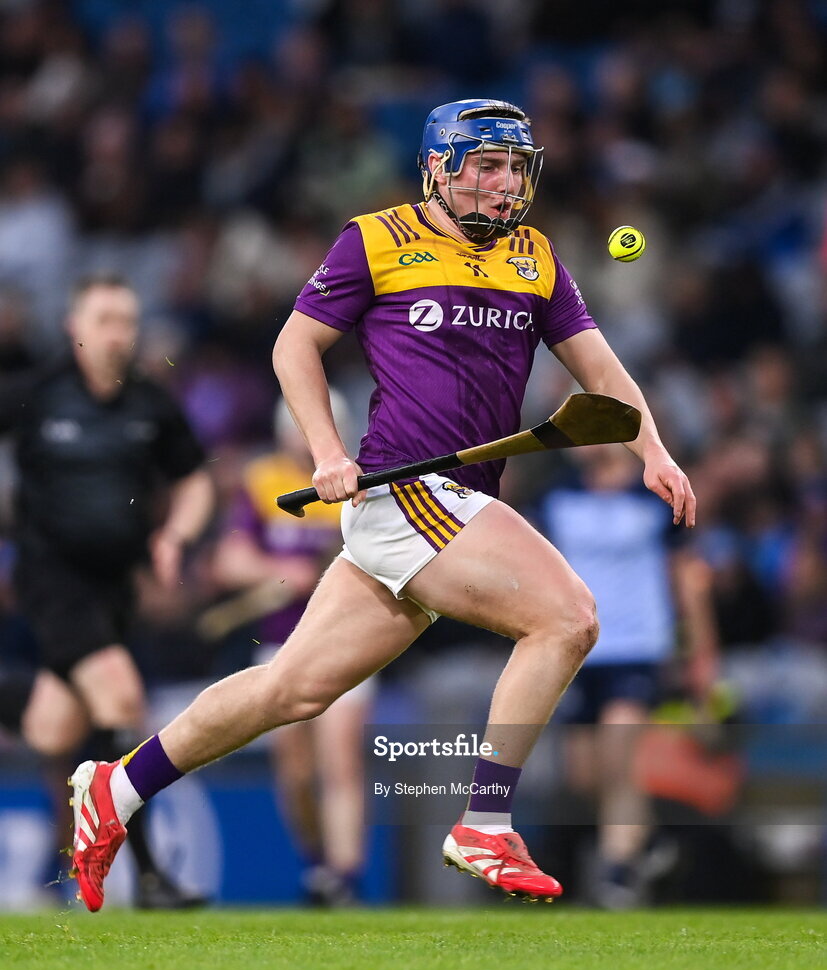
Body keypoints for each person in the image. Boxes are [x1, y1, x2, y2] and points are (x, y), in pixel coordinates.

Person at [68, 99, 695, 911]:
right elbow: (293, 345)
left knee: (289, 689)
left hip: (453, 500)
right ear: (438, 166)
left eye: (515, 167)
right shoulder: (376, 239)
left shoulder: (534, 256)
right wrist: (327, 451)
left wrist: (654, 450)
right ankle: (484, 824)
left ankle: (115, 792)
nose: (507, 183)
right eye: (488, 165)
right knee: (567, 617)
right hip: (404, 492)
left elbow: (600, 373)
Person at [0, 273, 214, 908]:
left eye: (126, 320)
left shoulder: (151, 401)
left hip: (117, 590)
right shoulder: (36, 392)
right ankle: (149, 879)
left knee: (57, 728)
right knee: (122, 703)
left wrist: (175, 535)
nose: (118, 333)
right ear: (75, 327)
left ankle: (94, 870)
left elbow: (195, 478)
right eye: (104, 320)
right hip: (51, 581)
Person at [538, 444, 716, 907]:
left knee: (620, 754)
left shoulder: (653, 493)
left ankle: (617, 873)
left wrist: (701, 658)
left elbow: (686, 579)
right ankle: (650, 839)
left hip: (638, 647)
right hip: (578, 649)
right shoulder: (557, 496)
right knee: (583, 776)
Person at [211, 393, 372, 905]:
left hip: (349, 642)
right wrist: (277, 573)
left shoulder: (360, 484)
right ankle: (317, 863)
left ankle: (345, 879)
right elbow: (228, 561)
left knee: (341, 761)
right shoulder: (264, 482)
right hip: (282, 643)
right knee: (296, 772)